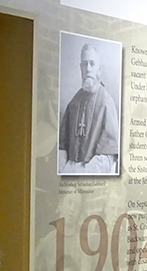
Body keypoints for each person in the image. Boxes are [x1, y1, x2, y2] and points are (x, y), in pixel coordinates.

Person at [58, 43, 119, 174]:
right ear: (81, 68)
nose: (88, 69)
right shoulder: (74, 102)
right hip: (69, 168)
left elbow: (108, 155)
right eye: (84, 64)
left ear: (99, 70)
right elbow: (62, 146)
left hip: (92, 171)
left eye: (92, 64)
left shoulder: (106, 103)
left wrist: (82, 173)